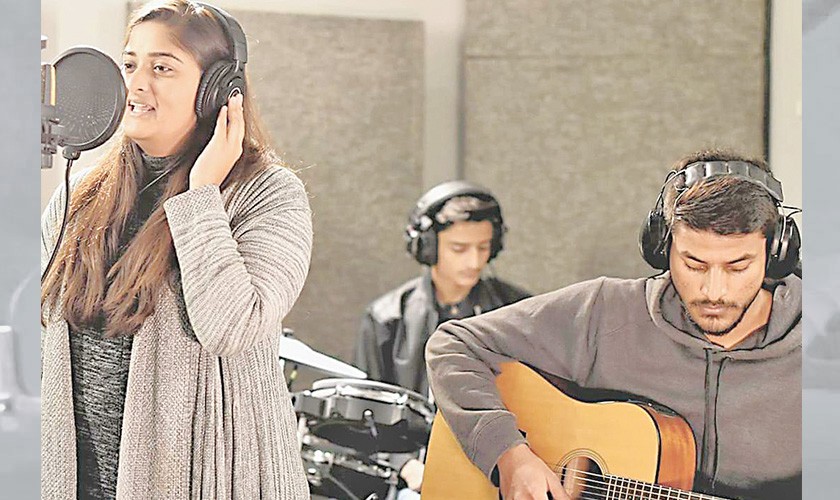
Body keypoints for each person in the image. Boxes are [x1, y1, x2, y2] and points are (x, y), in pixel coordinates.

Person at [40, 2, 312, 498]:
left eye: (162, 68)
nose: (136, 84)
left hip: (209, 481)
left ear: (218, 91)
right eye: (130, 64)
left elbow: (231, 327)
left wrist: (201, 197)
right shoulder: (81, 193)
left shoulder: (269, 194)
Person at [426, 151, 802, 500]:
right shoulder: (605, 311)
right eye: (694, 264)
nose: (713, 291)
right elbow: (453, 345)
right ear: (663, 248)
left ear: (775, 255)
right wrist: (509, 456)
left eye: (738, 267)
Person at [354, 180, 530, 496]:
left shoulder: (517, 312)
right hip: (414, 477)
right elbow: (364, 415)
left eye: (483, 247)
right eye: (459, 249)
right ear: (428, 247)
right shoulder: (386, 318)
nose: (474, 261)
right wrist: (405, 465)